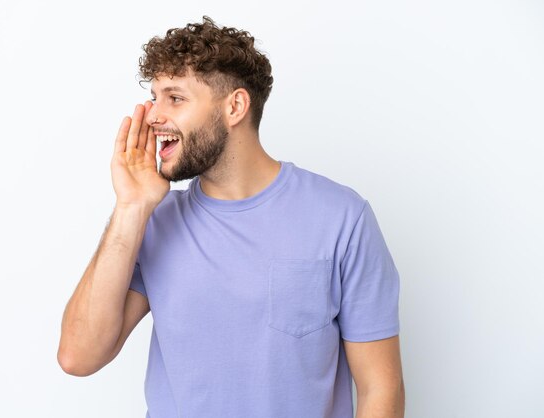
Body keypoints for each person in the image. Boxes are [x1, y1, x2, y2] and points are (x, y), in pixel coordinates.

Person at [57, 15, 405, 418]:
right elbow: (78, 357)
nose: (152, 115)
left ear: (235, 106)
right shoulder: (152, 221)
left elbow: (381, 388)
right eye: (154, 96)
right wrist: (131, 207)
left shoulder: (343, 218)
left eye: (175, 97)